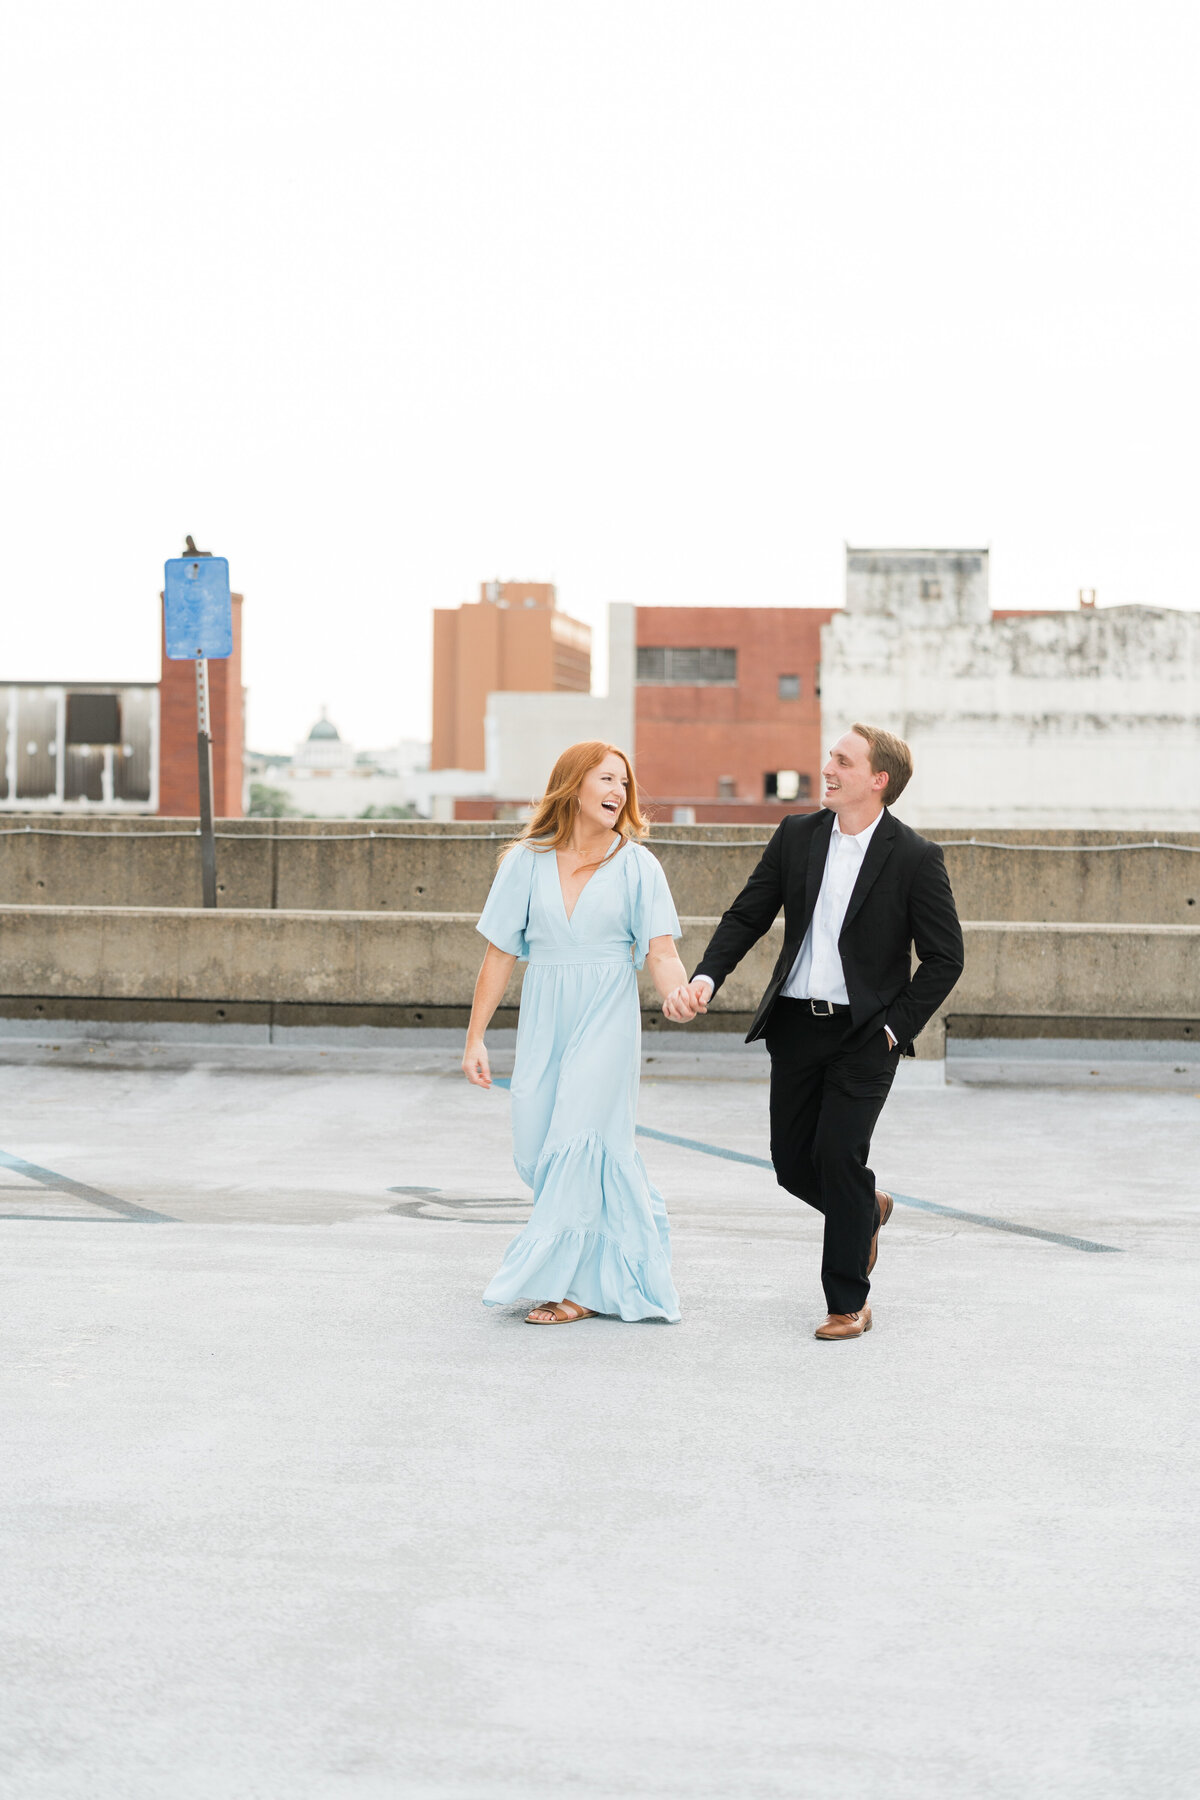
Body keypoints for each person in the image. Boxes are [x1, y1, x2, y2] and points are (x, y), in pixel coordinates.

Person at [663, 723, 964, 1341]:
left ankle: (847, 1302)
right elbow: (749, 912)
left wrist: (893, 1030)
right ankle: (866, 1208)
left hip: (865, 1034)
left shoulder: (913, 857)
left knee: (838, 1154)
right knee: (791, 1164)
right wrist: (706, 977)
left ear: (878, 781)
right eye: (830, 755)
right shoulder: (797, 836)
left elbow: (945, 957)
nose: (827, 766)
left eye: (843, 760)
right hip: (796, 1024)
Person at [462, 741, 690, 1325]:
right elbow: (499, 955)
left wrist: (676, 992)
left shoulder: (638, 865)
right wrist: (476, 1038)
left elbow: (660, 950)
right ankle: (629, 1247)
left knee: (582, 1141)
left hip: (607, 1015)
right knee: (538, 1145)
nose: (618, 791)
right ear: (573, 786)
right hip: (545, 1013)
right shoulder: (526, 862)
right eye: (606, 779)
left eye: (624, 782)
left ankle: (578, 1289)